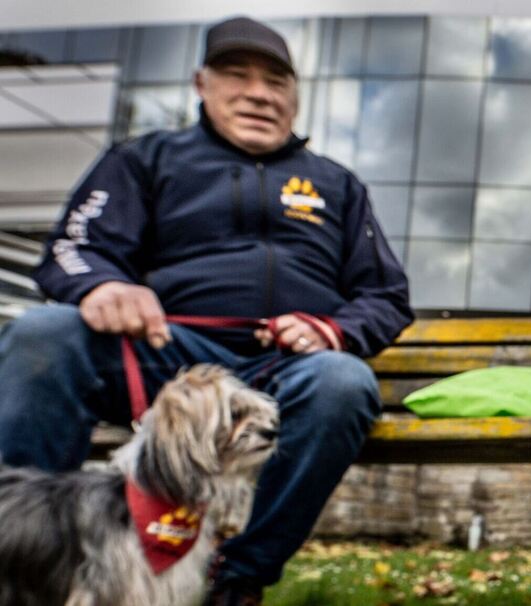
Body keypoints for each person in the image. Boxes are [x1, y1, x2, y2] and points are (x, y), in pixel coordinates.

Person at [0, 16, 412, 605]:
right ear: (201, 84)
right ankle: (21, 547)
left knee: (343, 382)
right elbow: (74, 250)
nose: (258, 92)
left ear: (295, 95)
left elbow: (387, 296)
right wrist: (103, 287)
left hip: (282, 370)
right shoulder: (144, 159)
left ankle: (235, 580)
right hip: (168, 355)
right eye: (236, 75)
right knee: (45, 332)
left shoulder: (338, 186)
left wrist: (333, 329)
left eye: (276, 80)